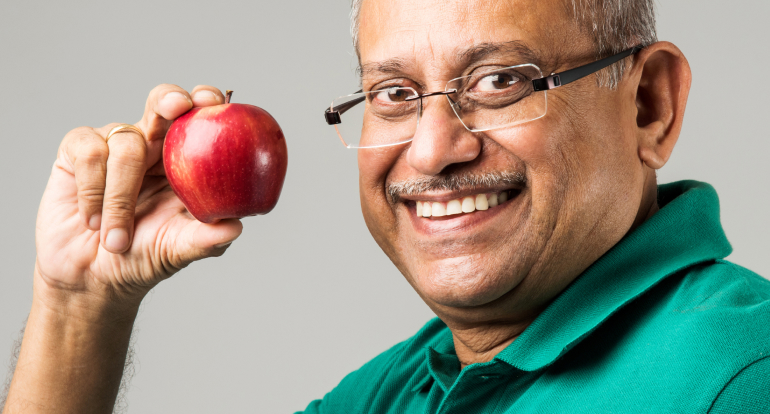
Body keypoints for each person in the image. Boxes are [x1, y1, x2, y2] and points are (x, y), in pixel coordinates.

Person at [2, 0, 769, 412]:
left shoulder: (739, 380)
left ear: (648, 106)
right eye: (395, 95)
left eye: (501, 81)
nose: (433, 149)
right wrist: (81, 304)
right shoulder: (400, 391)